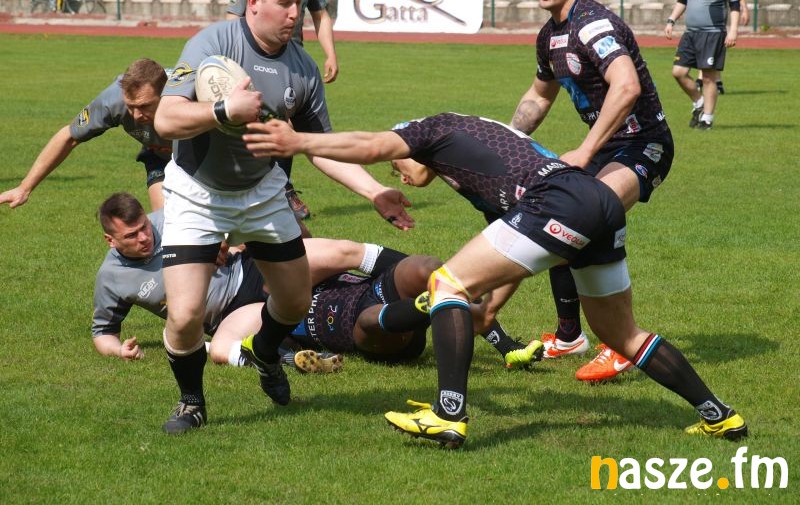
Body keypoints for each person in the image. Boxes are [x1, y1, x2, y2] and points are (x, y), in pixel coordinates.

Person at [245, 112, 748, 448]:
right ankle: (719, 414)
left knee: (444, 286)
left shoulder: (429, 129)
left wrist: (298, 141)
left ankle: (448, 415)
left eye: (400, 165)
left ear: (410, 144)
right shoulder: (475, 156)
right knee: (621, 334)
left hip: (559, 200)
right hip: (596, 199)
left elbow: (372, 144)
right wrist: (490, 310)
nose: (401, 173)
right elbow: (517, 252)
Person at [154, 0, 413, 434]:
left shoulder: (303, 69)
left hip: (262, 192)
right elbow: (165, 118)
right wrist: (223, 110)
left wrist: (375, 191)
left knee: (293, 302)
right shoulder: (213, 43)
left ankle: (265, 350)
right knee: (186, 314)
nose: (296, 14)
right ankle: (191, 402)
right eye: (286, 3)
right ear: (253, 2)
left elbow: (320, 149)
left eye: (300, 3)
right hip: (197, 193)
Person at [93, 193, 533, 373]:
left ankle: (446, 293)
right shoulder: (111, 279)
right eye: (132, 236)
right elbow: (103, 332)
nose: (145, 237)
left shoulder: (171, 219)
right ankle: (297, 359)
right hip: (231, 312)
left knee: (338, 251)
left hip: (255, 271)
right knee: (223, 350)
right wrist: (118, 350)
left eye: (144, 228)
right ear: (111, 240)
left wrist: (225, 239)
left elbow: (228, 214)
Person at [511, 0, 674, 382]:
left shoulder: (593, 25)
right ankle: (569, 336)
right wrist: (506, 140)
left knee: (589, 216)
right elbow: (538, 96)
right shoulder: (549, 35)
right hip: (605, 148)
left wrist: (583, 151)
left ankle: (621, 344)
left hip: (644, 144)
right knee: (557, 215)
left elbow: (627, 87)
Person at [227, 0, 339, 221]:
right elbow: (233, 17)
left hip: (292, 61)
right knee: (252, 120)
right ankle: (257, 187)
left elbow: (320, 15)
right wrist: (229, 59)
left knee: (285, 122)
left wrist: (330, 54)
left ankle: (281, 187)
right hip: (254, 56)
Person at [0, 58, 171, 212]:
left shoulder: (185, 97)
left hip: (187, 152)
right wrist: (24, 188)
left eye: (144, 106)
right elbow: (68, 137)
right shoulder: (112, 101)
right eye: (130, 106)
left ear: (165, 94)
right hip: (160, 156)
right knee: (166, 220)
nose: (136, 116)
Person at [666, 0, 741, 131]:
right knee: (678, 72)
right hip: (690, 33)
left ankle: (707, 118)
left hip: (713, 33)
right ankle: (699, 102)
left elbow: (734, 4)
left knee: (708, 77)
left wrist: (733, 30)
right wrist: (671, 20)